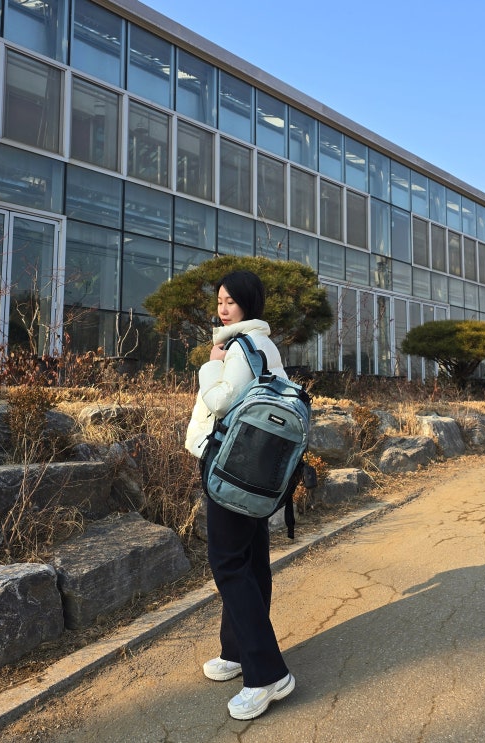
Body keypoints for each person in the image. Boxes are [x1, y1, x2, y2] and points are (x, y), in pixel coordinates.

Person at [185, 270, 295, 721]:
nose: (223, 308)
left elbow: (221, 401)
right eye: (219, 301)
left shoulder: (240, 346)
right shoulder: (263, 343)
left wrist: (211, 364)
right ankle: (236, 650)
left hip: (231, 470)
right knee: (249, 561)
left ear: (248, 303)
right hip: (255, 470)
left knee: (229, 564)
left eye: (230, 301)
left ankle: (267, 675)